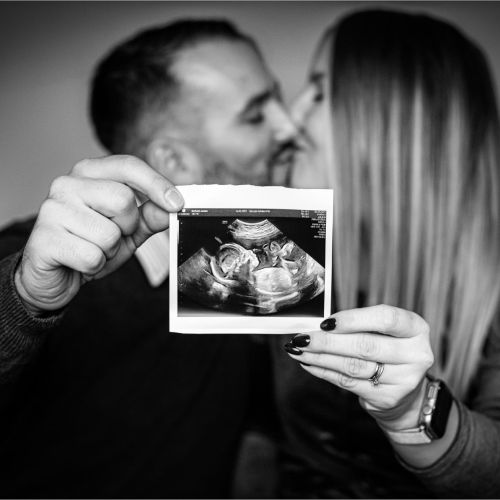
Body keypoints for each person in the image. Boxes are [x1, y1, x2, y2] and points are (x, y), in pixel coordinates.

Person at [0, 19, 296, 498]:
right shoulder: (38, 264)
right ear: (174, 162)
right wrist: (23, 298)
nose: (290, 125)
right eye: (256, 115)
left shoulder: (267, 263)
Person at [269, 9, 500, 498]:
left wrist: (411, 412)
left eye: (320, 91)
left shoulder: (491, 294)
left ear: (389, 123)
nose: (290, 117)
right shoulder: (292, 256)